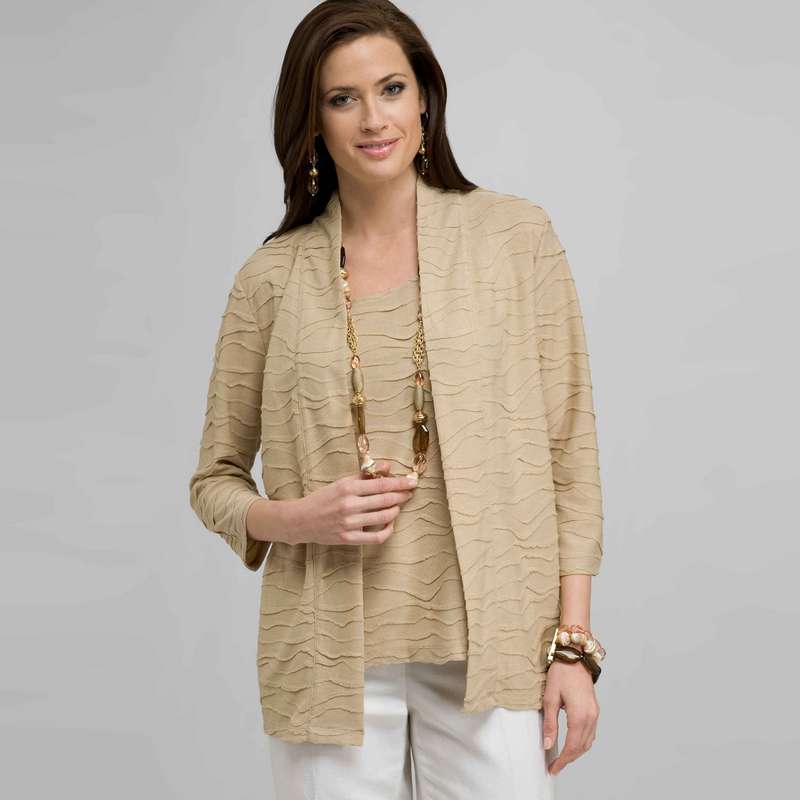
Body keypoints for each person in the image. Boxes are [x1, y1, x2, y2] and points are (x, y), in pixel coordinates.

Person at [188, 1, 607, 797]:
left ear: (424, 99)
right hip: (327, 656)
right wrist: (299, 518)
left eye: (391, 89)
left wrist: (572, 647)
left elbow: (569, 453)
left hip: (493, 647)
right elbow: (214, 480)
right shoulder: (270, 279)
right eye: (342, 98)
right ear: (313, 121)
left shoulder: (515, 240)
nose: (374, 119)